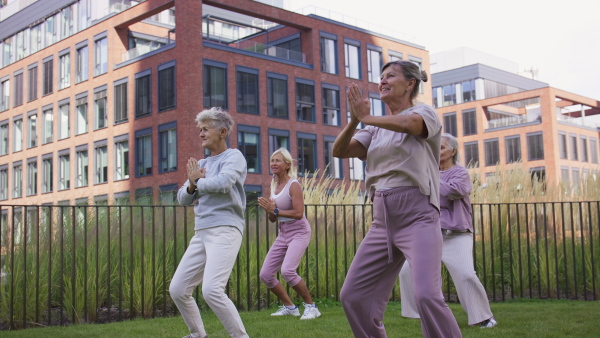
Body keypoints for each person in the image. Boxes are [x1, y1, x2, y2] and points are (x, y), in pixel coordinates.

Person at [335, 60, 462, 338]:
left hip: (418, 217)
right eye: (381, 77)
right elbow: (340, 151)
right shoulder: (375, 128)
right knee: (353, 295)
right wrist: (356, 119)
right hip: (382, 221)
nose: (382, 81)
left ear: (410, 83)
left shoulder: (423, 112)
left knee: (427, 295)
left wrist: (366, 117)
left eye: (390, 76)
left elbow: (409, 124)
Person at [399, 133, 497, 328]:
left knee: (466, 274)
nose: (437, 149)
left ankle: (483, 317)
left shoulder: (459, 173)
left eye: (442, 147)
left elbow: (453, 192)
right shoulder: (426, 172)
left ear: (453, 151)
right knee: (406, 271)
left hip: (456, 235)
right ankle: (418, 313)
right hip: (428, 234)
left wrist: (426, 179)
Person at [170, 107, 249, 338]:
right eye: (200, 130)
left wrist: (197, 183)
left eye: (206, 129)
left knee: (212, 290)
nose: (201, 134)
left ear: (222, 131)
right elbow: (182, 198)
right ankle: (198, 334)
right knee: (178, 289)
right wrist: (193, 184)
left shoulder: (233, 156)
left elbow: (223, 183)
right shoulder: (202, 164)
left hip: (225, 228)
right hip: (201, 231)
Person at [257, 148, 321, 320]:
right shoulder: (274, 186)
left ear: (287, 165)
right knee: (265, 274)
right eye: (272, 160)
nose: (273, 164)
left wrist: (276, 209)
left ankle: (311, 307)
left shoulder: (294, 185)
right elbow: (273, 218)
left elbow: (299, 213)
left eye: (278, 160)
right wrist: (269, 210)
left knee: (287, 271)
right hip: (283, 233)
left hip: (299, 231)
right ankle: (290, 307)